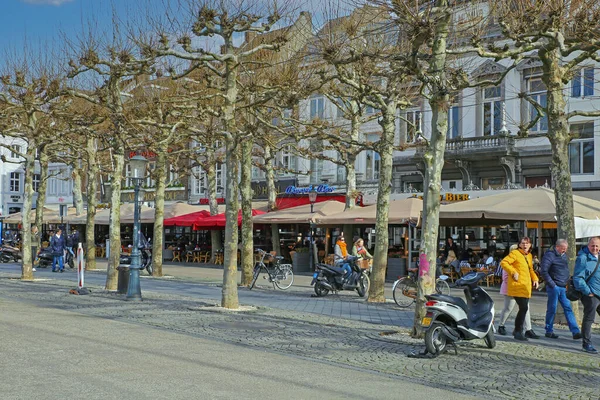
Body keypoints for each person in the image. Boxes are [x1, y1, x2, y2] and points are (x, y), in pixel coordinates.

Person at [540, 239, 582, 339]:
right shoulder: (549, 255)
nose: (564, 251)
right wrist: (552, 284)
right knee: (552, 309)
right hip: (554, 286)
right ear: (557, 247)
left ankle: (575, 331)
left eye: (565, 249)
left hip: (563, 287)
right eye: (563, 248)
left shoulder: (564, 256)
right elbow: (544, 271)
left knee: (568, 308)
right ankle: (549, 330)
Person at [500, 237, 539, 341]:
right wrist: (513, 272)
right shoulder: (515, 253)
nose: (525, 245)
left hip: (526, 286)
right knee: (523, 308)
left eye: (527, 243)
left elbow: (530, 269)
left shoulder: (529, 256)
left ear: (530, 245)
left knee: (524, 308)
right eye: (523, 243)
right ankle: (518, 331)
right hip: (517, 286)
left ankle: (521, 330)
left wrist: (535, 279)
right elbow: (504, 262)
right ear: (519, 244)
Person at [574, 236, 600, 354]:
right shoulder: (583, 258)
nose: (594, 248)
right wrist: (587, 291)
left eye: (597, 246)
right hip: (590, 293)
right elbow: (578, 277)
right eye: (592, 245)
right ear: (588, 246)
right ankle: (586, 343)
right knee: (589, 318)